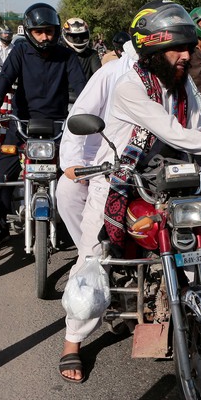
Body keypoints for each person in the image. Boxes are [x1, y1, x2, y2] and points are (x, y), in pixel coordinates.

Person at [57, 0, 201, 383]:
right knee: (93, 264)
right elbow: (170, 131)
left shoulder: (182, 84)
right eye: (178, 48)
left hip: (170, 182)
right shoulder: (127, 85)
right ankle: (73, 341)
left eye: (188, 48)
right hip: (119, 183)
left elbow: (196, 127)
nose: (186, 55)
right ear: (153, 50)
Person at [0, 2, 86, 238]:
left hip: (58, 126)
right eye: (39, 31)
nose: (45, 36)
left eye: (49, 31)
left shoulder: (67, 56)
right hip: (22, 124)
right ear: (28, 32)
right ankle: (0, 223)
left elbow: (82, 88)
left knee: (74, 175)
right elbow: (5, 78)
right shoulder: (19, 52)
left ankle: (72, 222)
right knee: (2, 174)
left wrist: (91, 113)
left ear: (57, 31)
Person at [56, 37, 138, 252]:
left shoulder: (180, 76)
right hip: (101, 162)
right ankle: (90, 255)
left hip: (152, 164)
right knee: (67, 191)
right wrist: (74, 164)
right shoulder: (111, 73)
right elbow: (80, 115)